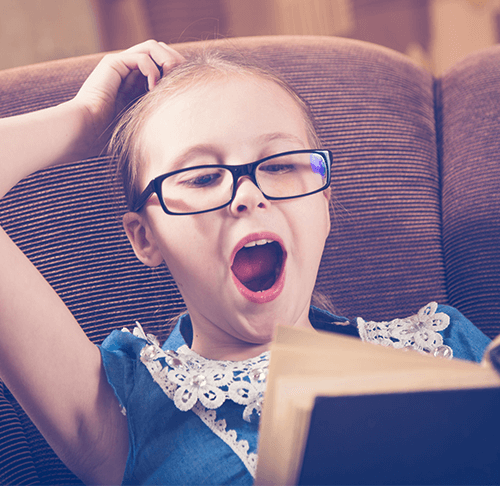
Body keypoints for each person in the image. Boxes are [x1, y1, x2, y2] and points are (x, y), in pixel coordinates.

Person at [0, 40, 492, 485]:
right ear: (145, 237)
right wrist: (84, 119)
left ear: (324, 206)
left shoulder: (446, 345)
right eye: (201, 177)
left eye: (279, 165)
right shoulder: (121, 409)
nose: (249, 195)